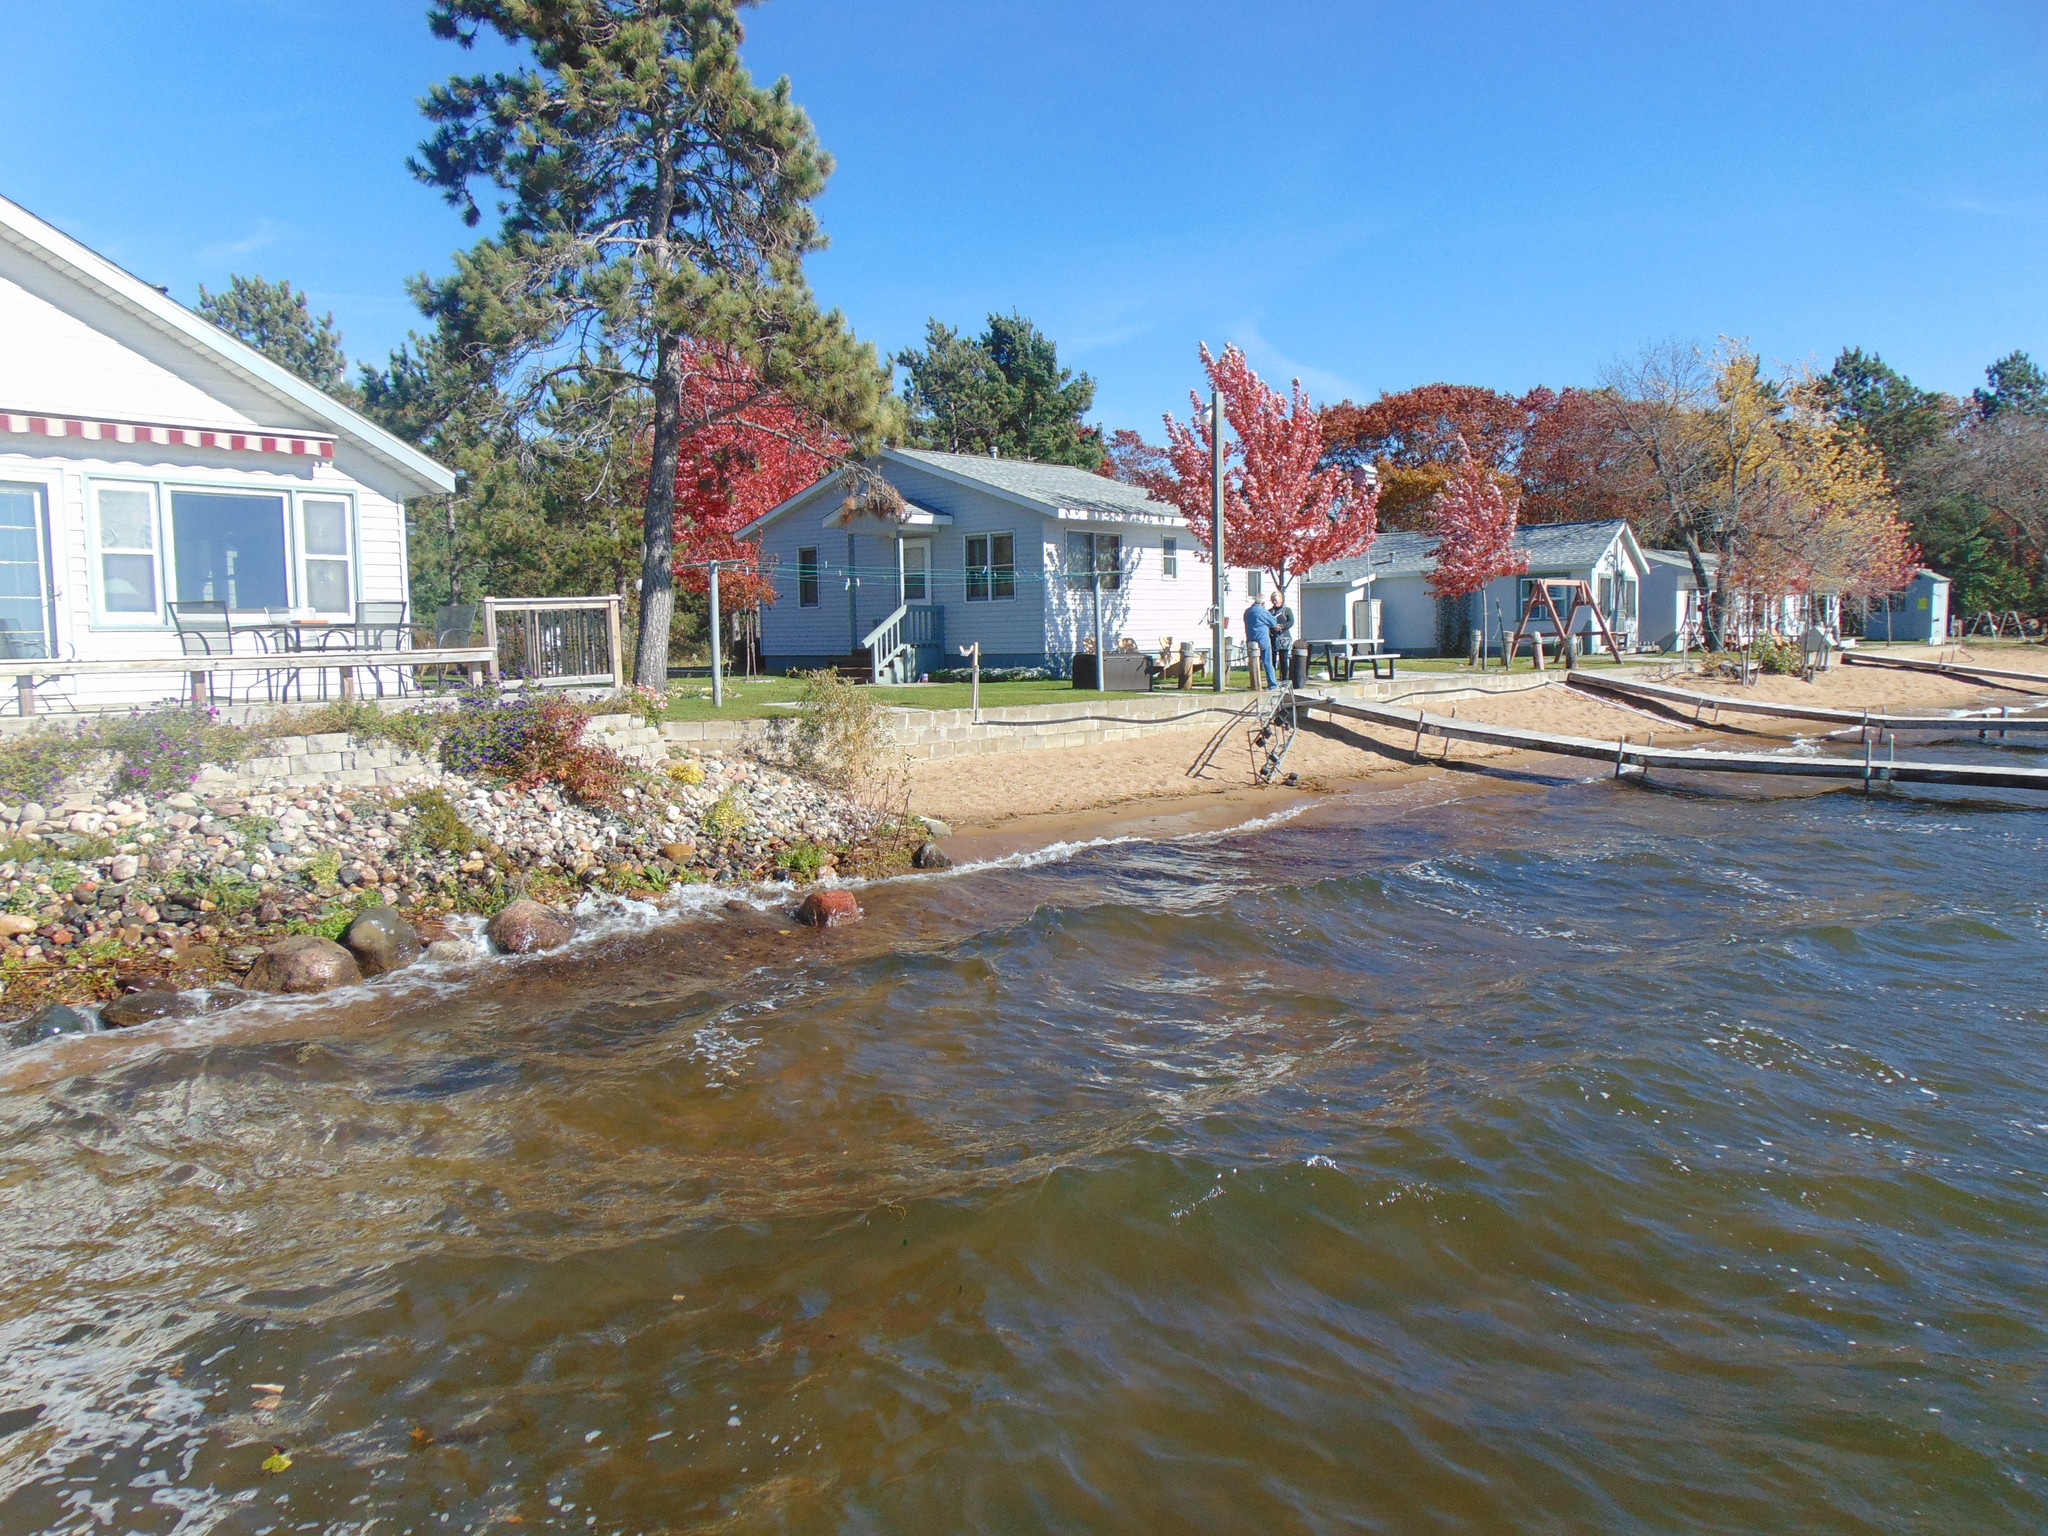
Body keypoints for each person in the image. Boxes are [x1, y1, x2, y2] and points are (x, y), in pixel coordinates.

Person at [1243, 595, 1278, 689]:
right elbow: (1273, 622)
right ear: (1263, 603)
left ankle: (1254, 684)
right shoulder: (1263, 612)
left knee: (1253, 662)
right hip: (1263, 640)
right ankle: (1272, 684)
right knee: (1267, 662)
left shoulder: (1247, 612)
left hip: (1251, 639)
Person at [1269, 590, 1296, 682]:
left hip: (1284, 638)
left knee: (1283, 659)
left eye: (1276, 600)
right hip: (1273, 637)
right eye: (1273, 600)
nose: (1275, 602)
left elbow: (1291, 622)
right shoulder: (1270, 612)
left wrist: (1282, 626)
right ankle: (1272, 679)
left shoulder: (1287, 610)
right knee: (1272, 660)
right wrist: (1273, 627)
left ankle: (1284, 678)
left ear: (1281, 600)